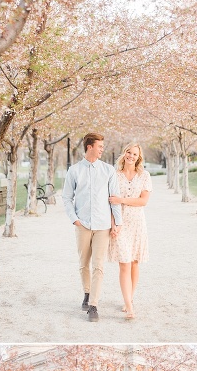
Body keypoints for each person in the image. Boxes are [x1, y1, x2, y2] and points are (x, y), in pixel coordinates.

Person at [62, 133, 122, 323]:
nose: (102, 149)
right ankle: (87, 293)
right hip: (82, 225)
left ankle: (94, 305)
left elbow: (114, 198)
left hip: (103, 225)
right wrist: (75, 220)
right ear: (89, 147)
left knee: (99, 265)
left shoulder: (108, 170)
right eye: (100, 146)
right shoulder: (74, 170)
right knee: (83, 264)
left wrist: (117, 223)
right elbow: (66, 198)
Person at [108, 143, 152, 319]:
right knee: (124, 263)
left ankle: (130, 299)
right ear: (124, 153)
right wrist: (113, 224)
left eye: (135, 154)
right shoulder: (114, 175)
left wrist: (122, 199)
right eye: (128, 152)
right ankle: (128, 305)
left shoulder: (144, 176)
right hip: (120, 224)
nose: (131, 156)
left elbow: (143, 201)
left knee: (134, 262)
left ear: (138, 157)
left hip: (137, 224)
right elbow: (110, 202)